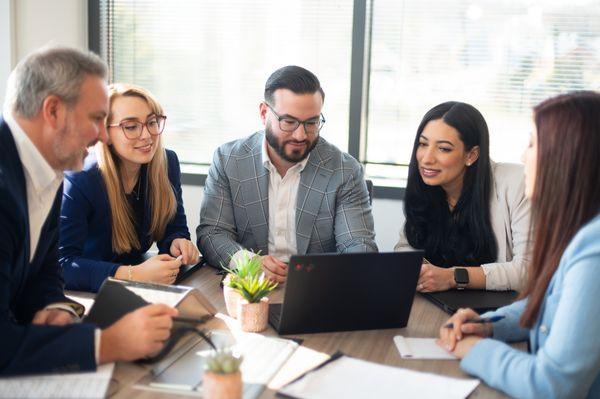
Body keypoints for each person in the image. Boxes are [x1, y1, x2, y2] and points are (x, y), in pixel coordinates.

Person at [0, 46, 177, 375]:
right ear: (53, 111)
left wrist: (53, 307)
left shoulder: (47, 168)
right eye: (97, 119)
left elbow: (43, 271)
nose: (101, 136)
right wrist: (107, 343)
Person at [438, 91, 600, 398]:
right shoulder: (579, 227)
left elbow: (552, 386)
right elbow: (551, 306)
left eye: (532, 143)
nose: (524, 156)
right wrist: (489, 326)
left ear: (566, 156)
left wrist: (475, 349)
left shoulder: (595, 249)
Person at [197, 65, 377, 282]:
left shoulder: (344, 170)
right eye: (289, 122)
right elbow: (212, 234)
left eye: (312, 123)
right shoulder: (229, 161)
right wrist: (249, 262)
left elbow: (358, 245)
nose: (301, 135)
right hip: (248, 287)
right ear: (264, 114)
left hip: (316, 291)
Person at [59, 83, 199, 292]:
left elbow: (173, 227)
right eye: (131, 127)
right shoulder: (80, 178)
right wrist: (133, 275)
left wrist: (176, 242)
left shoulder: (166, 162)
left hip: (138, 287)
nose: (146, 135)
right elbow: (62, 265)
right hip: (85, 293)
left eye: (152, 122)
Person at [395, 102, 530, 292]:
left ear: (472, 155)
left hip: (498, 310)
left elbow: (528, 270)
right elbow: (404, 248)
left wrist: (452, 277)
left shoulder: (517, 183)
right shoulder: (428, 187)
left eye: (443, 148)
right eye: (423, 144)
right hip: (436, 304)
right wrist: (420, 270)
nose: (426, 158)